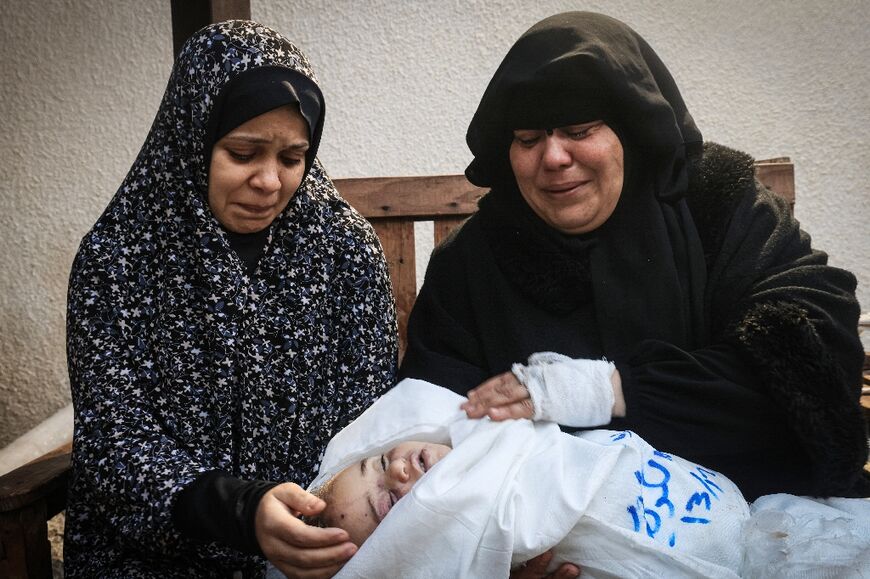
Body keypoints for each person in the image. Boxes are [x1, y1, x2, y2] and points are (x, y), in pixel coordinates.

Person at [400, 11, 870, 501]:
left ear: (634, 131)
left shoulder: (719, 204)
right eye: (528, 139)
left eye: (579, 130)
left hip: (764, 513)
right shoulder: (473, 261)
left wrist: (606, 390)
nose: (553, 157)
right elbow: (433, 419)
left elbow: (810, 363)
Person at [64, 21, 398, 578]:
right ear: (193, 140)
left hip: (315, 548)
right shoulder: (118, 259)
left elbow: (369, 421)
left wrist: (316, 525)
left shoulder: (344, 251)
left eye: (293, 159)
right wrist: (240, 512)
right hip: (157, 552)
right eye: (243, 153)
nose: (269, 181)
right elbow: (114, 440)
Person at [267, 378, 752, 578]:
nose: (397, 469)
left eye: (375, 463)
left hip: (709, 487)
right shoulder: (473, 523)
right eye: (393, 505)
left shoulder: (487, 431)